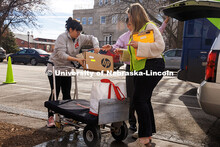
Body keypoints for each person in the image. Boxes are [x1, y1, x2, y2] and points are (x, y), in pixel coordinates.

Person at [102, 16, 169, 133]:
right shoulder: (125, 36)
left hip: (144, 66)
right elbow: (118, 47)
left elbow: (158, 36)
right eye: (128, 25)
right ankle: (135, 125)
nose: (129, 27)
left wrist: (165, 22)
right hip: (132, 68)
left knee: (141, 99)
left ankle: (145, 133)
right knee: (134, 98)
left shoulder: (145, 31)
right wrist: (112, 48)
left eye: (131, 24)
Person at [46, 17, 100, 128]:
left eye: (80, 32)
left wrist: (96, 47)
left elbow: (92, 38)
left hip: (66, 68)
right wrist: (76, 60)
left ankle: (67, 116)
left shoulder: (80, 37)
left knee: (67, 92)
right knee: (55, 92)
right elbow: (61, 54)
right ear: (70, 29)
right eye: (77, 31)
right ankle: (51, 117)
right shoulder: (62, 37)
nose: (79, 34)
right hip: (54, 67)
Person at [126, 3, 165, 147]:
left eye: (130, 16)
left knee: (139, 100)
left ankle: (143, 139)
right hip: (143, 66)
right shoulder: (138, 31)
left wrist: (139, 46)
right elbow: (137, 54)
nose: (129, 19)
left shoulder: (149, 26)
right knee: (144, 100)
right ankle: (147, 133)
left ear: (135, 15)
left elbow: (160, 46)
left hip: (152, 65)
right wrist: (121, 52)